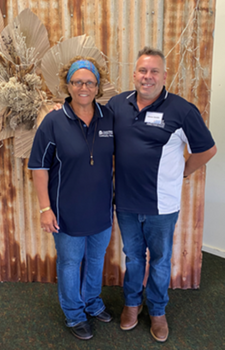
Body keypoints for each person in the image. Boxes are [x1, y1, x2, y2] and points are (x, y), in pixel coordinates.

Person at [107, 47, 217, 342]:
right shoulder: (117, 105)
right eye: (143, 71)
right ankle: (132, 304)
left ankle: (157, 310)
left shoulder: (182, 110)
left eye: (155, 71)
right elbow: (88, 119)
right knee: (133, 258)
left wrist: (183, 172)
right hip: (127, 203)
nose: (148, 77)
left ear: (165, 76)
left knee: (159, 260)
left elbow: (207, 149)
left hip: (162, 206)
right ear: (134, 74)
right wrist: (58, 107)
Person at [28, 56, 114, 340]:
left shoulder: (108, 117)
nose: (83, 87)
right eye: (77, 82)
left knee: (95, 260)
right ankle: (74, 314)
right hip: (66, 212)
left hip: (102, 210)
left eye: (90, 82)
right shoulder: (53, 121)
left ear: (98, 86)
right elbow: (39, 167)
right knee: (69, 263)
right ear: (69, 84)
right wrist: (45, 208)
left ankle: (91, 303)